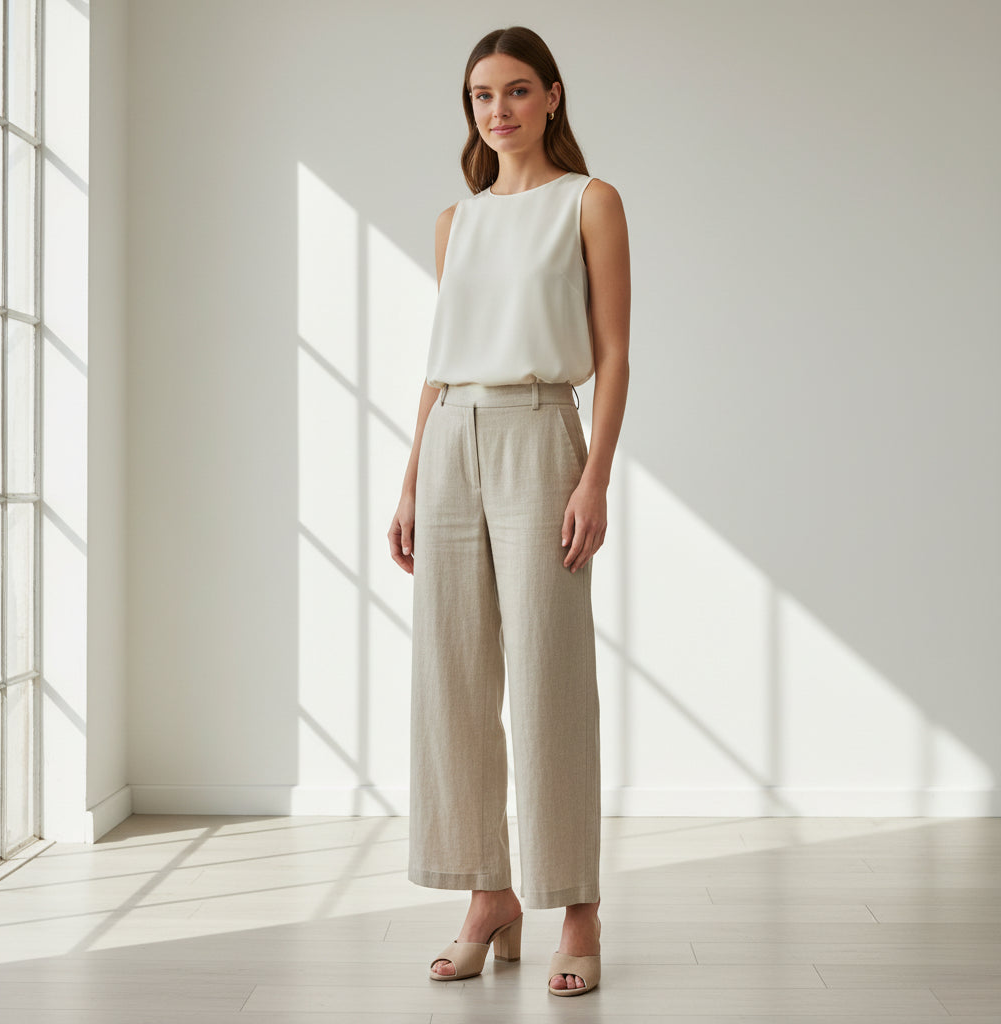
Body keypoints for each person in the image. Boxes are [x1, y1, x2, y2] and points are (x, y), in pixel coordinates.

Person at [388, 24, 630, 997]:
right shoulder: (458, 219)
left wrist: (595, 477)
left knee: (548, 674)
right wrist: (409, 478)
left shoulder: (590, 202)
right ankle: (489, 894)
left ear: (553, 97)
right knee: (449, 675)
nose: (499, 110)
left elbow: (613, 352)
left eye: (517, 91)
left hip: (541, 432)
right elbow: (440, 358)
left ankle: (575, 903)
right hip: (452, 433)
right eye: (483, 95)